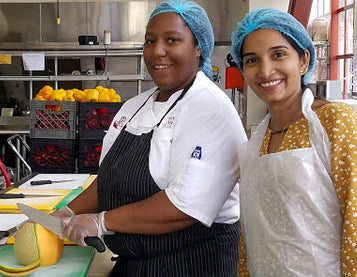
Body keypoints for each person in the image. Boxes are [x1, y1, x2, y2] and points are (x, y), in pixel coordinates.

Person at [51, 0, 247, 276]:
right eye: (150, 40)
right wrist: (67, 213)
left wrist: (102, 222)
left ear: (198, 47)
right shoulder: (134, 106)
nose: (158, 51)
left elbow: (184, 206)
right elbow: (110, 181)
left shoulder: (211, 110)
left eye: (173, 40)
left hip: (193, 264)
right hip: (137, 262)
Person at [230, 8, 357, 276]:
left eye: (278, 54)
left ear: (303, 60)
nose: (265, 70)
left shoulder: (336, 124)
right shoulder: (257, 140)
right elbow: (249, 237)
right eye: (252, 60)